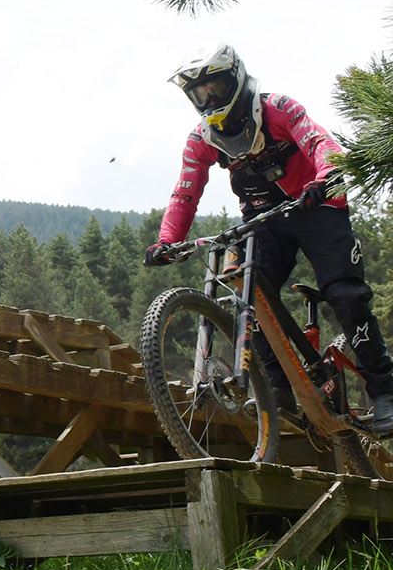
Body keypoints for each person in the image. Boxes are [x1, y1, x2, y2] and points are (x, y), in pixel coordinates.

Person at [145, 44, 393, 433]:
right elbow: (185, 193)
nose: (209, 100)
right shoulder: (201, 139)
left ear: (237, 79)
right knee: (247, 291)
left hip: (317, 203)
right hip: (263, 216)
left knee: (344, 293)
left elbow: (318, 142)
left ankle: (384, 392)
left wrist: (324, 177)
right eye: (200, 95)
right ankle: (278, 388)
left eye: (217, 88)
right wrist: (167, 239)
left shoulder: (277, 108)